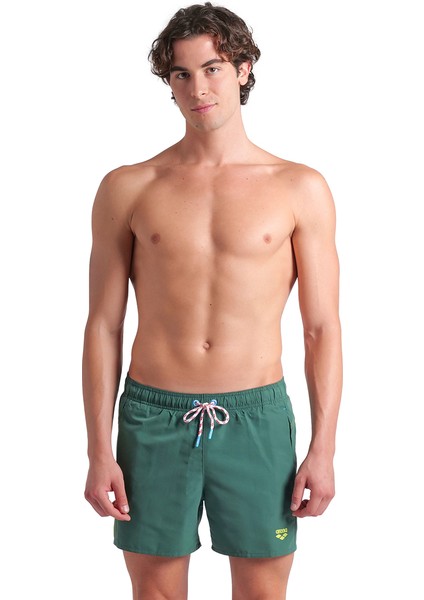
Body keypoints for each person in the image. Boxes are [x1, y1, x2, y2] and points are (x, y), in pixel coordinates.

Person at [82, 3, 343, 599]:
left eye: (213, 68)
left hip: (256, 418)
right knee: (155, 592)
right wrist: (99, 448)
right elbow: (102, 324)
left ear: (244, 69)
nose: (198, 88)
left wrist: (323, 448)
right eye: (181, 73)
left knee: (262, 592)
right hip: (152, 415)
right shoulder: (128, 186)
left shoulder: (299, 187)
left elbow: (322, 328)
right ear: (168, 82)